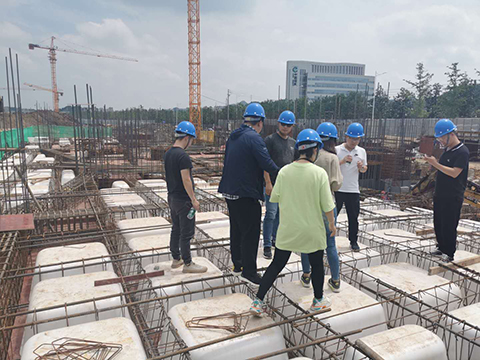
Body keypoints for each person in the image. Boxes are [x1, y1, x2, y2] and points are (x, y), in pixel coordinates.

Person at [249, 129, 336, 316]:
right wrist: (331, 224)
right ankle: (318, 301)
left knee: (276, 265)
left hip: (288, 230)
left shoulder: (284, 172)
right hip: (311, 230)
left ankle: (258, 301)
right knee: (317, 264)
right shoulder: (319, 173)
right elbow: (328, 205)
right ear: (315, 150)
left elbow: (276, 197)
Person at [218, 103, 279, 285]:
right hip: (246, 193)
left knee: (236, 230)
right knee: (251, 233)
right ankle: (250, 272)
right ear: (260, 122)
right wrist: (286, 173)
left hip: (230, 191)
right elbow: (267, 164)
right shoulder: (254, 138)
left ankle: (238, 266)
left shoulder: (234, 136)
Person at [300, 122, 343, 292]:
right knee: (330, 244)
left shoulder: (309, 157)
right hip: (327, 207)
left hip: (309, 205)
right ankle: (335, 280)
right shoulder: (332, 158)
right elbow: (337, 184)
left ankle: (306, 275)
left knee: (306, 243)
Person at [164, 121, 207, 273]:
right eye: (192, 139)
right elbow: (186, 179)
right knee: (186, 232)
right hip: (184, 200)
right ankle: (188, 263)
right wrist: (193, 200)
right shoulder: (183, 157)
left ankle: (176, 259)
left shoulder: (168, 153)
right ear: (187, 138)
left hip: (172, 198)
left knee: (176, 229)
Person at [425, 119, 469, 263]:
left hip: (453, 195)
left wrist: (435, 164)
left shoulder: (462, 151)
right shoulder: (447, 151)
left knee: (449, 224)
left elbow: (455, 173)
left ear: (451, 134)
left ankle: (449, 252)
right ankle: (441, 247)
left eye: (442, 137)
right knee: (439, 222)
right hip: (441, 193)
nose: (441, 141)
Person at [263, 110, 297, 260]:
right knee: (270, 213)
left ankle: (275, 238)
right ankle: (266, 244)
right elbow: (264, 163)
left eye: (288, 125)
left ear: (292, 126)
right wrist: (268, 183)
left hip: (286, 185)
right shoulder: (270, 140)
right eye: (283, 124)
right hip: (272, 183)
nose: (285, 127)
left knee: (280, 214)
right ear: (278, 124)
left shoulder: (293, 143)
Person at [335, 122, 368, 251]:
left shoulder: (361, 151)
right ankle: (327, 239)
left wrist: (362, 167)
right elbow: (331, 166)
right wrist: (342, 161)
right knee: (332, 216)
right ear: (346, 137)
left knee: (353, 218)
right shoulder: (337, 150)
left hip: (353, 189)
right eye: (352, 138)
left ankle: (353, 241)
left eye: (357, 139)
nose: (354, 142)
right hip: (338, 188)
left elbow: (365, 168)